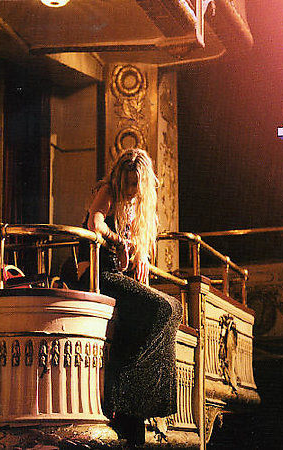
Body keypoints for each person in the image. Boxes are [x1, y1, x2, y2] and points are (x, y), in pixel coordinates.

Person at [77, 148, 182, 442]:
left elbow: (136, 247)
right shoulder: (108, 191)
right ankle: (121, 390)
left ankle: (143, 399)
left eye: (136, 183)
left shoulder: (137, 206)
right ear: (119, 177)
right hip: (97, 273)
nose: (131, 188)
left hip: (117, 275)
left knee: (174, 307)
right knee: (160, 308)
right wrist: (117, 241)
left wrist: (141, 254)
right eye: (128, 182)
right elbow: (95, 223)